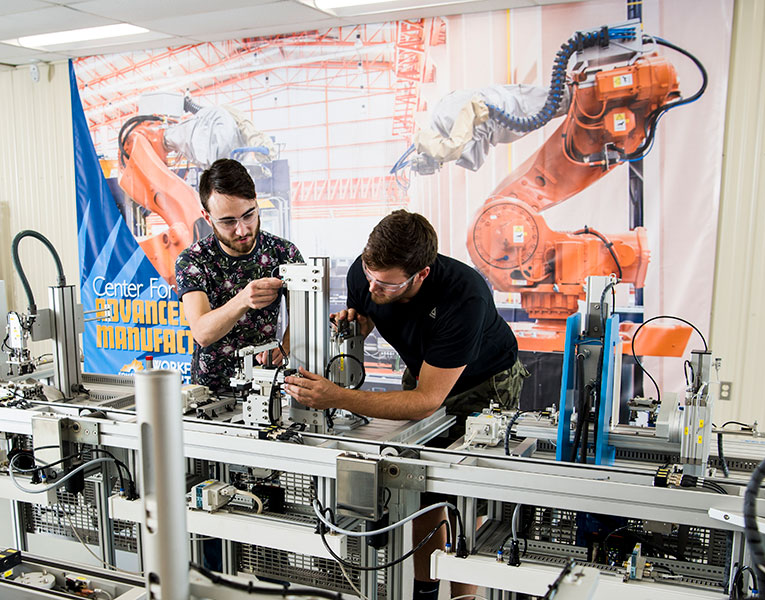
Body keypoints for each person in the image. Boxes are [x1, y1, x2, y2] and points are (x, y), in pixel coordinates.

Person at [284, 209, 528, 600]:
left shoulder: (464, 296)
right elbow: (368, 316)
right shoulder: (366, 275)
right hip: (424, 370)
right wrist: (356, 326)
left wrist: (336, 395)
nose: (373, 287)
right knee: (419, 485)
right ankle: (424, 590)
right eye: (369, 274)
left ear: (421, 275)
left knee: (466, 496)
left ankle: (464, 595)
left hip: (483, 382)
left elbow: (425, 402)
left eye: (387, 284)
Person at [175, 158, 304, 392]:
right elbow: (202, 333)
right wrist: (243, 300)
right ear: (207, 217)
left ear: (256, 203)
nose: (242, 229)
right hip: (210, 396)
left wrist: (285, 345)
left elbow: (303, 315)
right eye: (228, 222)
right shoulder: (193, 260)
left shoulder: (283, 252)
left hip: (265, 389)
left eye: (248, 215)